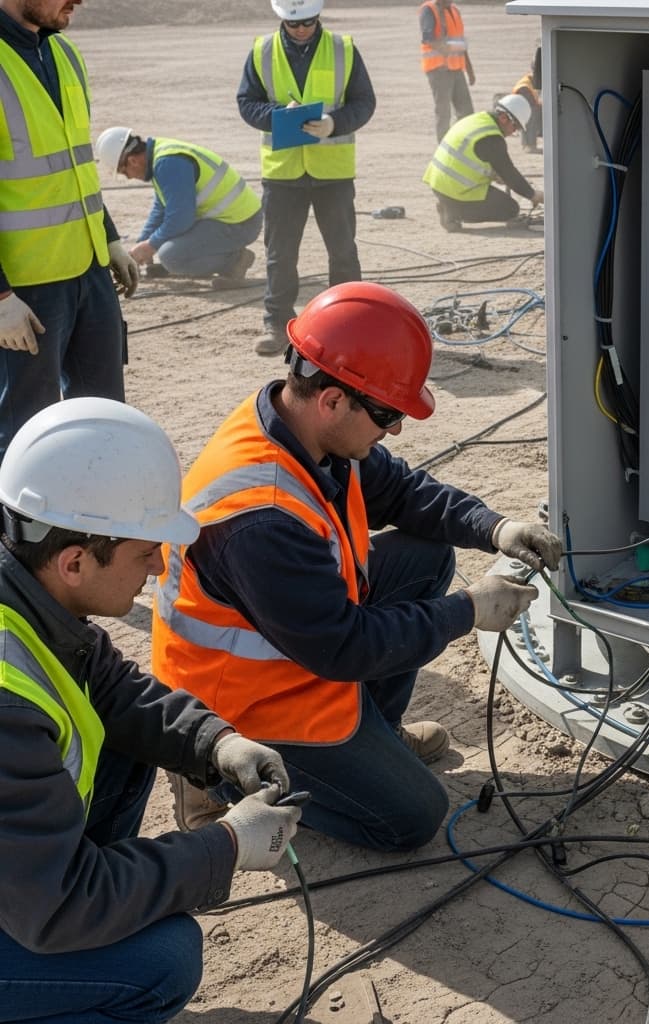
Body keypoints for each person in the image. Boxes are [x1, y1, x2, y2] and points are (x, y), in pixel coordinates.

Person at [151, 281, 562, 853]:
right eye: (388, 412)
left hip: (296, 645)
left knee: (424, 556)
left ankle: (375, 741)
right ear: (333, 399)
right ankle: (217, 781)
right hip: (245, 705)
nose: (394, 428)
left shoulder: (304, 430)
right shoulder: (259, 517)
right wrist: (468, 611)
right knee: (412, 819)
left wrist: (494, 527)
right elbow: (345, 648)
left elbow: (402, 491)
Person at [0, 396, 302, 1024]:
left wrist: (216, 742)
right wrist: (227, 845)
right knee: (161, 959)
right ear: (75, 560)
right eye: (145, 553)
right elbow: (58, 906)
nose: (160, 566)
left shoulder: (28, 588)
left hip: (22, 872)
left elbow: (113, 690)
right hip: (39, 899)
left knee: (127, 743)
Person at [0, 0, 140, 465]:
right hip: (25, 290)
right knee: (25, 430)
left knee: (104, 416)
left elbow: (76, 167)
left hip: (89, 269)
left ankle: (100, 532)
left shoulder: (65, 55)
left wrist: (111, 237)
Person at [237, 0, 376, 357]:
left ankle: (350, 324)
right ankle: (277, 323)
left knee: (343, 253)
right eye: (293, 25)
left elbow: (364, 102)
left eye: (308, 23)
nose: (301, 30)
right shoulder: (262, 51)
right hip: (283, 173)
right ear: (282, 19)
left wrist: (335, 124)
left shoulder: (343, 49)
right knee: (280, 254)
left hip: (333, 173)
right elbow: (246, 102)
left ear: (318, 16)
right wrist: (276, 115)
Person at [95, 126, 262, 287]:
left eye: (124, 172)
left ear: (132, 161)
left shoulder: (168, 164)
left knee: (172, 257)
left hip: (240, 223)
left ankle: (234, 261)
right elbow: (161, 209)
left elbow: (181, 218)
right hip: (230, 218)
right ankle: (200, 258)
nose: (129, 177)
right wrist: (143, 243)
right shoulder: (160, 155)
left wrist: (150, 245)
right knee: (170, 249)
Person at [423, 95, 543, 233]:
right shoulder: (492, 138)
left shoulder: (477, 120)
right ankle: (453, 212)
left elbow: (473, 157)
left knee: (500, 199)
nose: (513, 132)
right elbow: (510, 174)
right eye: (515, 127)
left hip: (439, 186)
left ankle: (449, 206)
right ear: (504, 118)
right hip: (455, 191)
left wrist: (494, 174)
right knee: (510, 208)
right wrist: (533, 195)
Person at [420, 0, 475, 143]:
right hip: (438, 70)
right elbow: (428, 39)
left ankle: (463, 144)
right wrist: (447, 49)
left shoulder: (455, 10)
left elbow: (461, 42)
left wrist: (469, 69)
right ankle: (444, 148)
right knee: (444, 112)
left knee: (466, 111)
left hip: (456, 69)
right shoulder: (429, 9)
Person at [513, 46, 542, 153]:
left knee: (530, 115)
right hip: (523, 95)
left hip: (524, 96)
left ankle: (528, 144)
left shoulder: (532, 78)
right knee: (531, 115)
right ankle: (529, 145)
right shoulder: (526, 85)